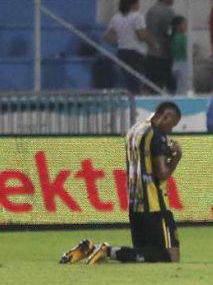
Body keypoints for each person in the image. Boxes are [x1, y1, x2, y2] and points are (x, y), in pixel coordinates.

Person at [60, 102, 185, 265]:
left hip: (135, 205)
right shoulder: (157, 134)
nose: (171, 130)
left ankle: (92, 249)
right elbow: (161, 173)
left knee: (143, 254)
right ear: (166, 117)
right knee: (170, 256)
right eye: (172, 124)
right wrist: (176, 157)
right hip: (156, 206)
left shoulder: (136, 129)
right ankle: (106, 250)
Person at [103, 0, 152, 92]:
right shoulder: (137, 16)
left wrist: (117, 42)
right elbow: (141, 35)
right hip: (136, 52)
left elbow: (106, 35)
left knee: (128, 78)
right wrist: (151, 41)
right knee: (138, 78)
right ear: (133, 5)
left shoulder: (116, 17)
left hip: (122, 51)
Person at [144, 0, 177, 93]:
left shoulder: (151, 10)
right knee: (168, 82)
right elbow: (169, 31)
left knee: (153, 83)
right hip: (164, 53)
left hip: (152, 52)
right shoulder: (167, 11)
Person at [170, 15, 191, 95]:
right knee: (183, 87)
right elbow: (186, 50)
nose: (186, 26)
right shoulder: (182, 38)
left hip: (175, 63)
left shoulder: (173, 38)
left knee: (179, 86)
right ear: (178, 26)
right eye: (184, 24)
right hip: (183, 63)